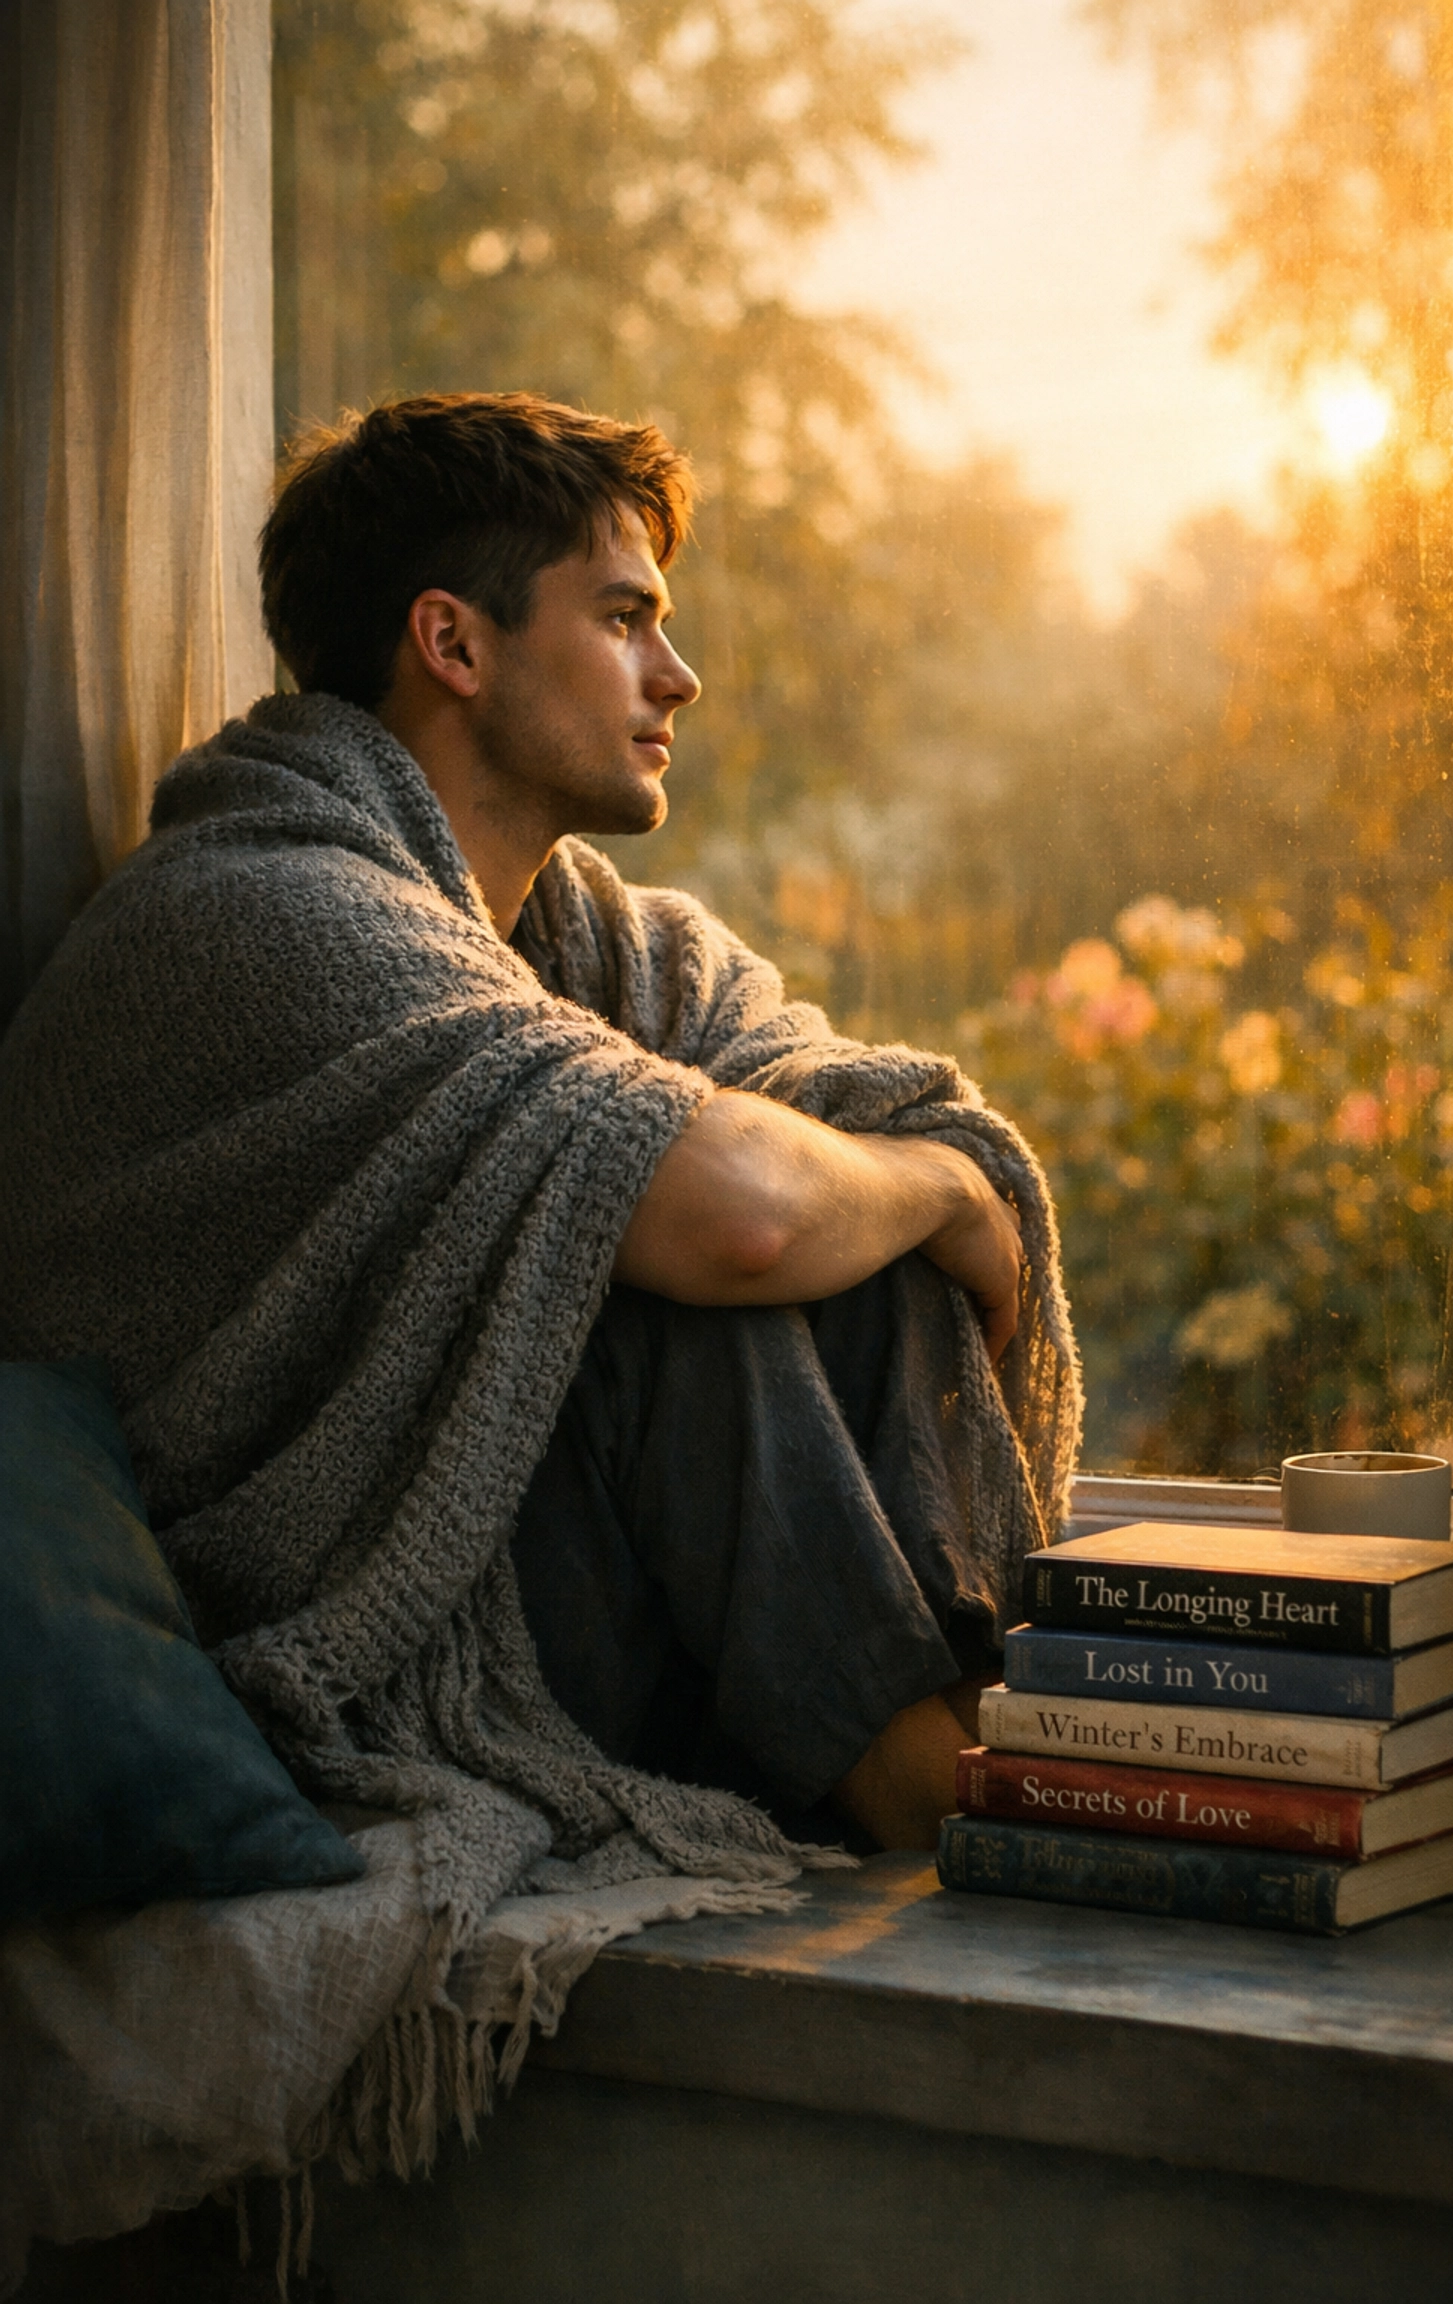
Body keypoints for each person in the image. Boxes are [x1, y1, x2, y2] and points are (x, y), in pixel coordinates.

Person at [0, 393, 1079, 1927]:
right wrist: (949, 1197)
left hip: (571, 1583)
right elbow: (746, 1215)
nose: (679, 675)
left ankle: (989, 1727)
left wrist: (919, 1176)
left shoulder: (590, 945)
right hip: (346, 1613)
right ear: (454, 644)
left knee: (791, 1183)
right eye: (627, 618)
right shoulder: (260, 912)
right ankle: (946, 1795)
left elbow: (862, 1113)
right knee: (638, 1244)